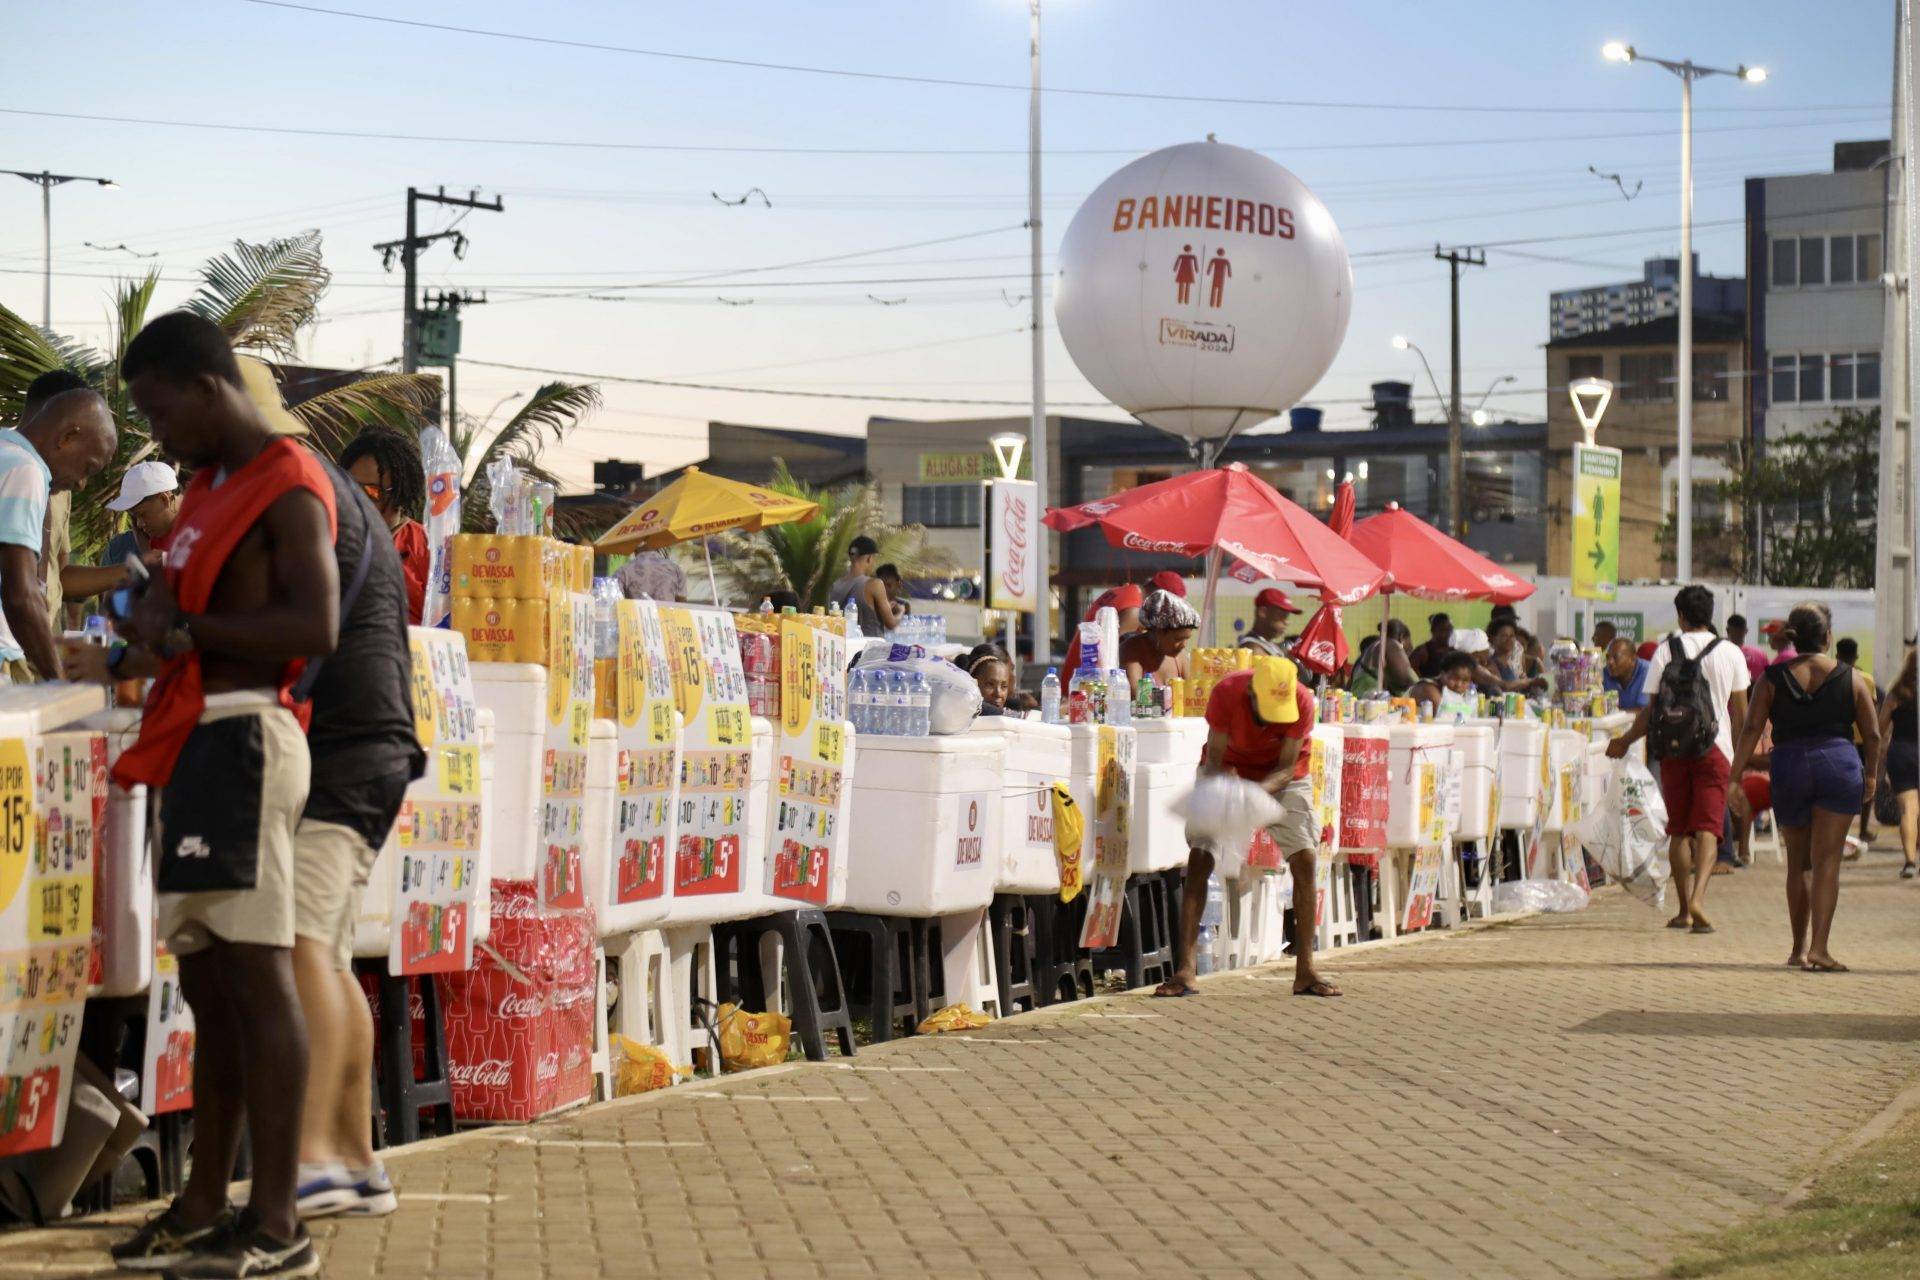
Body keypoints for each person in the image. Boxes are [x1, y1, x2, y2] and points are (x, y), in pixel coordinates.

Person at [101, 311, 339, 1277]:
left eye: (163, 413)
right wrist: (144, 630)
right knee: (209, 985)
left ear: (207, 389)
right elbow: (192, 615)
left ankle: (279, 1223)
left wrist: (186, 627)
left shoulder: (287, 480)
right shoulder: (207, 488)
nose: (160, 437)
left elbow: (313, 624)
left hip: (245, 741)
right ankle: (206, 1204)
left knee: (257, 977)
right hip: (192, 743)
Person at [287, 434, 425, 1221]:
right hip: (366, 758)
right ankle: (357, 1160)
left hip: (344, 762)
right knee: (332, 957)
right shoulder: (357, 525)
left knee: (311, 951)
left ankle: (316, 1160)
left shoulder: (329, 520)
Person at [1155, 655, 1338, 999]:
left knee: (1305, 858)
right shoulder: (1227, 692)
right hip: (1227, 771)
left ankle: (1306, 970)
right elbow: (1214, 761)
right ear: (1253, 693)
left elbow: (1286, 768)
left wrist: (1253, 795)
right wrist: (1228, 796)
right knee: (1200, 853)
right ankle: (1186, 969)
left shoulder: (1302, 700)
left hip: (1283, 778)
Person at [1729, 604, 1880, 972]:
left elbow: (1751, 728)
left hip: (1790, 765)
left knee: (1798, 861)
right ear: (1827, 638)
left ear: (1794, 638)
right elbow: (1873, 734)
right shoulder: (1851, 677)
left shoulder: (1772, 677)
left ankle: (1797, 948)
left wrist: (1734, 776)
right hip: (1837, 764)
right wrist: (1872, 775)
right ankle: (1820, 948)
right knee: (1827, 862)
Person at [1606, 585, 1750, 935]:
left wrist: (1625, 740)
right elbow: (1743, 715)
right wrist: (1741, 762)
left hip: (1673, 749)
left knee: (1678, 831)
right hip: (1715, 750)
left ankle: (1684, 908)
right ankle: (1700, 897)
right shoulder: (1730, 652)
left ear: (1681, 616)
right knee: (1707, 831)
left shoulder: (1665, 652)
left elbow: (1651, 711)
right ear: (1710, 614)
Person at [0, 383, 116, 682]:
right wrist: (58, 681)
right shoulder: (26, 470)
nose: (80, 484)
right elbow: (20, 594)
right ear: (67, 437)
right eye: (87, 468)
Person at [339, 428, 430, 625]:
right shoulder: (331, 538)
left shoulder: (426, 547)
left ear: (399, 492)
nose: (358, 498)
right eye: (350, 485)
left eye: (372, 491)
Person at [62, 460, 181, 602]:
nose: (139, 523)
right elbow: (108, 609)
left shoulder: (200, 539)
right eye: (133, 516)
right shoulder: (120, 548)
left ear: (164, 499)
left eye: (142, 514)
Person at [1876, 649, 1918, 878]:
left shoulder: (1896, 694)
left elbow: (1880, 730)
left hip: (1901, 752)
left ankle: (1910, 862)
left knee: (1908, 810)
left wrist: (1878, 760)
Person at [1834, 638, 1877, 845]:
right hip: (1863, 742)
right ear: (1857, 656)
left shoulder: (1831, 677)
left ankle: (1841, 832)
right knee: (1868, 786)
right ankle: (1864, 829)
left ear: (1837, 655)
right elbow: (1873, 713)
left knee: (1842, 788)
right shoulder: (1866, 679)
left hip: (1841, 741)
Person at [1120, 589, 1199, 690]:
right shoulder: (1131, 651)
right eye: (1178, 639)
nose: (1184, 645)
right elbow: (1138, 695)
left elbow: (1193, 692)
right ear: (1159, 632)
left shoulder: (1180, 657)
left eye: (1186, 639)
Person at [829, 535, 904, 639]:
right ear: (869, 558)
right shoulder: (875, 584)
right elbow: (891, 623)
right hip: (870, 651)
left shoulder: (835, 585)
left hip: (845, 648)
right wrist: (901, 611)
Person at [1061, 582, 1142, 674]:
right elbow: (1111, 655)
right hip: (1091, 680)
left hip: (1075, 674)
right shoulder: (1134, 611)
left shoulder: (1121, 593)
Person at [1473, 618, 1547, 696]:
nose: (1509, 640)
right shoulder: (1490, 664)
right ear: (1493, 638)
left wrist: (1524, 681)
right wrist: (1530, 681)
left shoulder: (1513, 663)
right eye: (1504, 636)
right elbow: (1504, 687)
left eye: (1512, 636)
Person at [1350, 618, 1417, 696]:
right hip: (1376, 703)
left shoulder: (1371, 648)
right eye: (1409, 641)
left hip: (1362, 699)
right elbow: (1404, 681)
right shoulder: (1392, 646)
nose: (1410, 648)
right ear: (1402, 638)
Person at [1239, 587, 1301, 658]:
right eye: (1283, 616)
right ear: (1262, 612)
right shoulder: (1252, 649)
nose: (1287, 622)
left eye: (1287, 617)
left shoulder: (1269, 645)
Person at [615, 548, 686, 603]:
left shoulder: (623, 570)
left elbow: (616, 602)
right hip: (668, 619)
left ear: (635, 548)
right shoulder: (675, 569)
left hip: (636, 619)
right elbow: (681, 602)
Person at [1602, 637, 1653, 710]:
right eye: (1608, 657)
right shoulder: (1605, 673)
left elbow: (1644, 711)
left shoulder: (1647, 671)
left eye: (1616, 657)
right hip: (1615, 719)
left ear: (1633, 659)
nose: (1610, 662)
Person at [1727, 613, 1769, 687]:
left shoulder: (1722, 654)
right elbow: (1768, 679)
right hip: (1755, 696)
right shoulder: (1760, 654)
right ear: (1746, 631)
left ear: (1727, 630)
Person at [1408, 612, 1453, 679]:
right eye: (1443, 630)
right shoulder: (1423, 652)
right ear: (1433, 631)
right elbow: (1409, 670)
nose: (1448, 634)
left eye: (1449, 629)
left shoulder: (1452, 651)